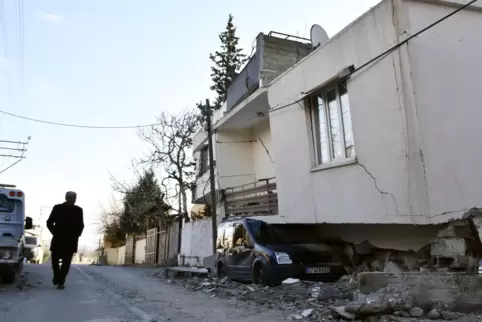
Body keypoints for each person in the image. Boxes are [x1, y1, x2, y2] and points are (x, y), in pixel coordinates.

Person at [46, 191, 84, 289]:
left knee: (66, 263)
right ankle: (56, 276)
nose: (73, 200)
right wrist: (54, 232)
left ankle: (61, 281)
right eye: (72, 198)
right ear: (66, 198)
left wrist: (77, 235)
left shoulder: (78, 210)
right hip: (58, 239)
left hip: (71, 240)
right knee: (55, 261)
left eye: (75, 198)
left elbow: (81, 225)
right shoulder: (57, 208)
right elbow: (49, 222)